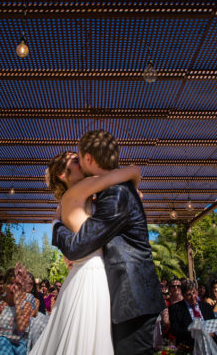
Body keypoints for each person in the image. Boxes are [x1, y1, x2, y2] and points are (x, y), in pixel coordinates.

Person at [46, 130, 165, 354]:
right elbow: (76, 247)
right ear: (63, 175)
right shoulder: (89, 193)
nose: (79, 163)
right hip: (103, 283)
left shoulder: (112, 194)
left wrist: (56, 226)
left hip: (130, 298)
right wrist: (57, 225)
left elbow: (76, 245)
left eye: (79, 157)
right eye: (74, 161)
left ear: (88, 158)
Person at [0, 268, 32, 355]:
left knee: (4, 343)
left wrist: (17, 304)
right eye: (10, 283)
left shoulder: (25, 305)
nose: (14, 287)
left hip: (16, 345)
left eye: (18, 284)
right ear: (5, 285)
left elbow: (21, 328)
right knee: (2, 341)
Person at [168, 280, 216, 350]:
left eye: (194, 293)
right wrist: (195, 335)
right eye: (189, 294)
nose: (193, 297)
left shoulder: (206, 307)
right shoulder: (176, 309)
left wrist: (212, 332)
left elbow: (213, 323)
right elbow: (176, 330)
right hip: (189, 345)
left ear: (197, 292)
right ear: (183, 295)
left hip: (209, 342)